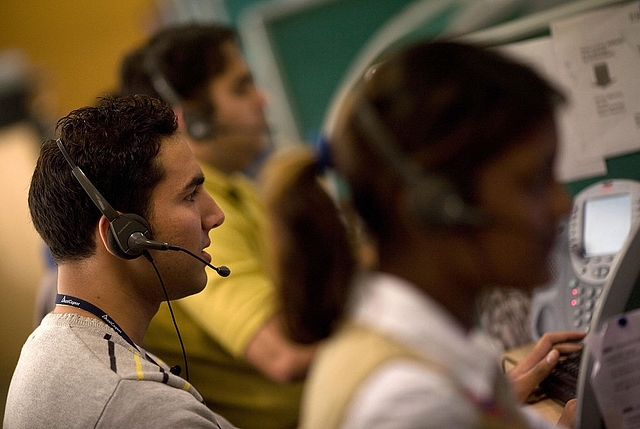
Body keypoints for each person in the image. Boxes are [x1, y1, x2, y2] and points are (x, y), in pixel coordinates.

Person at [260, 40, 587, 429]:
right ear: (434, 206)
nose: (561, 205)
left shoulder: (423, 338)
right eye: (532, 182)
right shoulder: (407, 400)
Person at [118, 24, 316, 429]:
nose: (263, 99)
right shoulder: (194, 218)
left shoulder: (238, 187)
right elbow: (284, 355)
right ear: (194, 118)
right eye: (242, 88)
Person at [3, 94, 236, 429]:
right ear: (124, 235)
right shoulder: (142, 408)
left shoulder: (48, 344)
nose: (216, 215)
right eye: (189, 195)